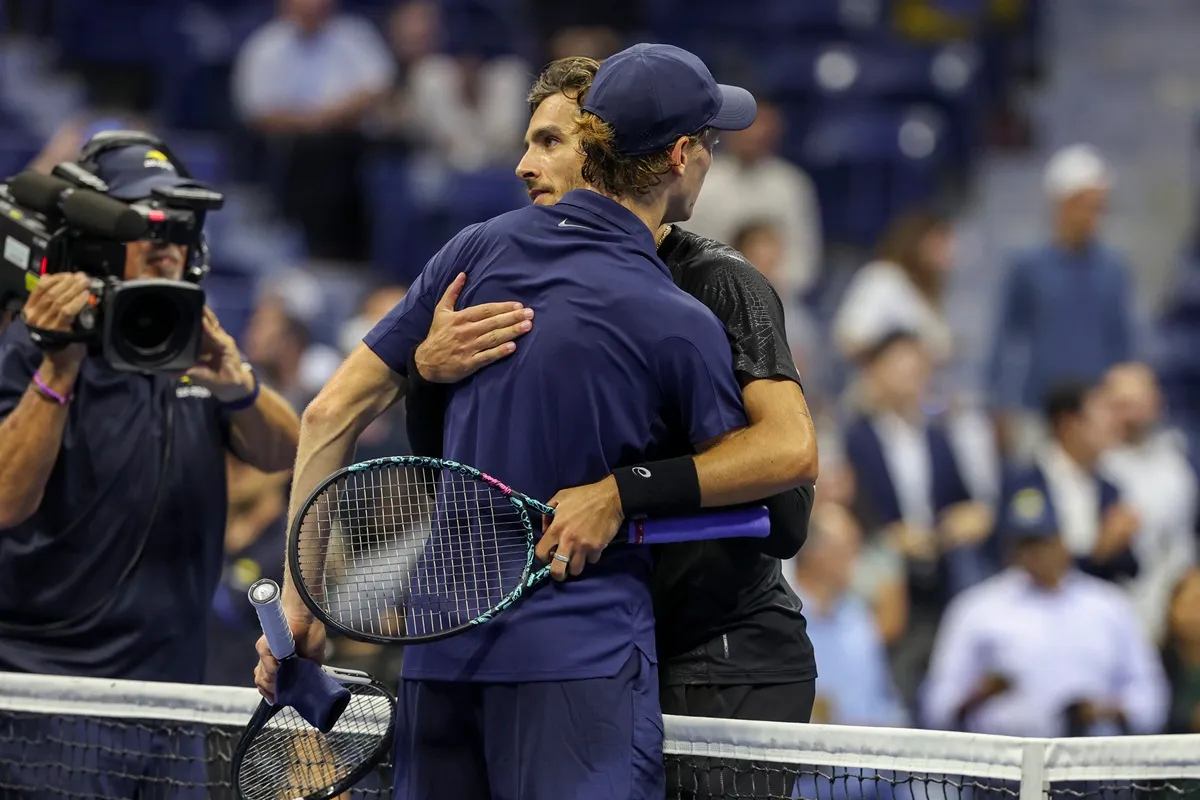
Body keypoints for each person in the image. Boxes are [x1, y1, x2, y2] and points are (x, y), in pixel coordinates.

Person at [257, 43, 760, 800]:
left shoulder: (475, 250)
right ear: (681, 155)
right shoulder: (678, 320)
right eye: (711, 145)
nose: (526, 164)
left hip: (438, 654)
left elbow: (328, 413)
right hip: (580, 664)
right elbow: (758, 485)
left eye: (547, 141)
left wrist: (301, 608)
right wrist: (629, 493)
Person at [401, 56, 819, 796]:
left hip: (722, 650)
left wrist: (624, 491)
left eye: (554, 141)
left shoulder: (717, 285)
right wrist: (427, 373)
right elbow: (405, 437)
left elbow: (787, 483)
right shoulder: (502, 265)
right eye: (535, 142)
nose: (531, 166)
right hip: (619, 645)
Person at [0, 134, 301, 795]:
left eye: (181, 228)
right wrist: (58, 369)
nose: (168, 244)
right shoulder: (32, 343)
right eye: (146, 223)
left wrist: (236, 382)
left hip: (173, 705)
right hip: (52, 705)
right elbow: (5, 500)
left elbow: (285, 453)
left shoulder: (189, 338)